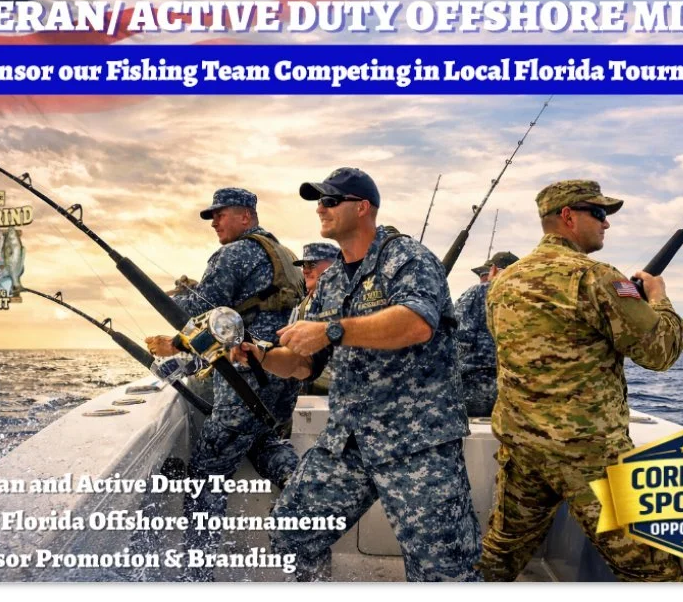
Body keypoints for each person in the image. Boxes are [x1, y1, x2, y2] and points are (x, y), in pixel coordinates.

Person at [233, 168, 481, 582]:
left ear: (362, 207)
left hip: (417, 442)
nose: (321, 208)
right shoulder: (329, 282)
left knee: (445, 572)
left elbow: (418, 323)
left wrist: (331, 330)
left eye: (331, 201)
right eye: (320, 201)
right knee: (290, 532)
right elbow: (302, 364)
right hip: (349, 440)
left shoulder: (408, 258)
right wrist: (258, 356)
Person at [478, 180, 683, 582]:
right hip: (589, 455)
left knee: (501, 552)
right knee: (650, 570)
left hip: (523, 445)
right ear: (568, 217)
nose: (606, 224)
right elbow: (661, 352)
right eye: (599, 213)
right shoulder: (596, 277)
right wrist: (658, 298)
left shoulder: (503, 282)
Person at [145, 187, 305, 579]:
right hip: (281, 379)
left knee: (206, 471)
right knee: (265, 443)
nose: (215, 222)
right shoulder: (279, 252)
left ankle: (197, 574)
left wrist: (174, 307)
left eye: (221, 214)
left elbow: (201, 311)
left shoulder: (234, 253)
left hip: (246, 378)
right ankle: (305, 506)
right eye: (212, 216)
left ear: (247, 215)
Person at [454, 250, 519, 418]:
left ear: (495, 270)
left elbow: (457, 338)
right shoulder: (525, 298)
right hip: (512, 395)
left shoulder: (476, 293)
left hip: (471, 390)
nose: (483, 279)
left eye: (485, 273)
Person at [290, 242, 340, 395]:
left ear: (333, 266)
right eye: (303, 265)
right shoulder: (303, 304)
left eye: (311, 264)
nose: (305, 270)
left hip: (336, 391)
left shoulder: (346, 301)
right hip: (308, 388)